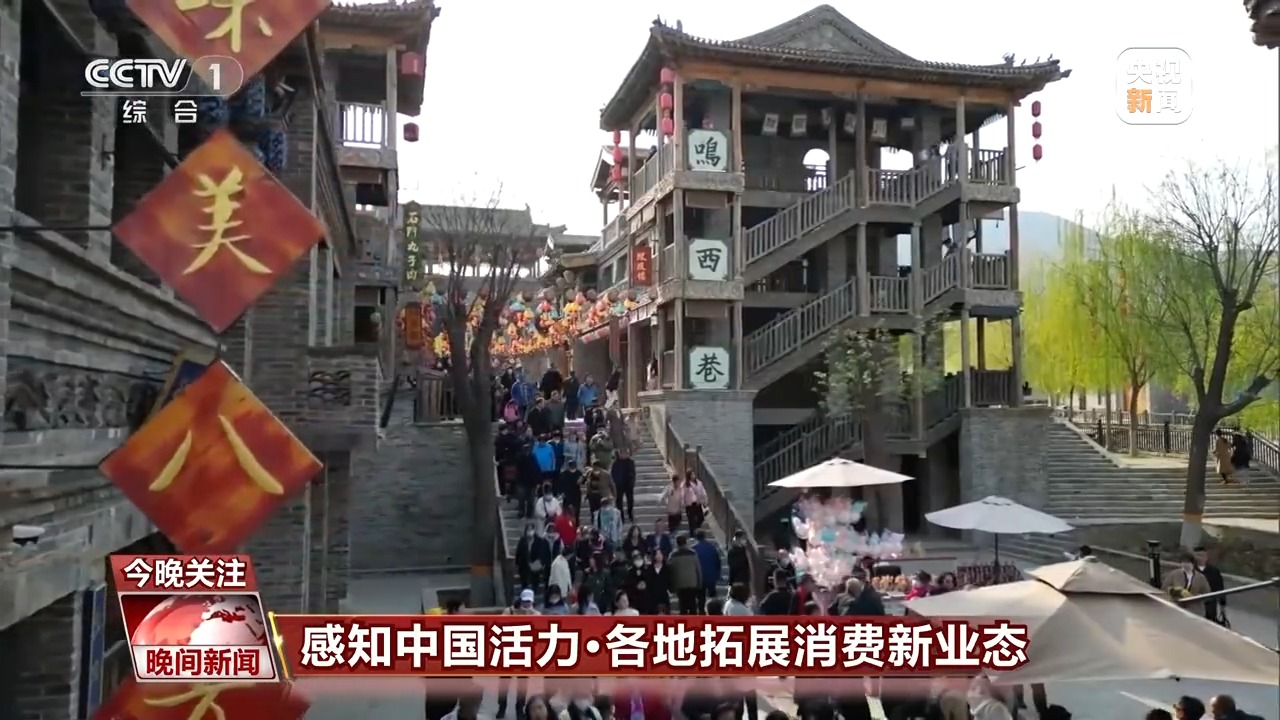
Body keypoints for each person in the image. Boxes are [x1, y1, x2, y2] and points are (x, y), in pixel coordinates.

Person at [668, 533, 703, 615]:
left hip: (679, 583)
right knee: (692, 605)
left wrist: (671, 586)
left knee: (682, 606)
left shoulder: (673, 555)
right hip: (692, 583)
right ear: (686, 542)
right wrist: (699, 583)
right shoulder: (693, 553)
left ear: (677, 543)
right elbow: (698, 569)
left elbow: (670, 570)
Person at [1192, 545, 1228, 625]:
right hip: (1194, 603)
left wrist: (1222, 604)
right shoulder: (1191, 570)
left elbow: (1220, 587)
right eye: (1197, 555)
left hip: (1210, 604)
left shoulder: (1214, 571)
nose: (1199, 558)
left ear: (1206, 557)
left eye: (1201, 555)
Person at [692, 529, 721, 612]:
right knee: (712, 595)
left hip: (700, 577)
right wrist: (718, 574)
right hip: (711, 575)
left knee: (701, 598)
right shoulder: (712, 547)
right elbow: (717, 561)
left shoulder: (694, 549)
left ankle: (702, 613)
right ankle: (714, 611)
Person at [516, 524, 552, 591]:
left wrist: (539, 563)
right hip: (524, 565)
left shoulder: (539, 541)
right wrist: (518, 562)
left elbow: (542, 553)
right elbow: (519, 552)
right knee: (524, 581)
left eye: (531, 529)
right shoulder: (522, 541)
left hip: (535, 564)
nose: (530, 531)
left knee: (535, 580)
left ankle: (535, 589)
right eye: (528, 529)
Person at [611, 450, 637, 523]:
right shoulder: (616, 463)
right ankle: (620, 515)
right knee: (619, 501)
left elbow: (633, 473)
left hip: (628, 484)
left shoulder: (630, 462)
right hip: (619, 485)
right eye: (622, 453)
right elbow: (613, 473)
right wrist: (615, 482)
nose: (624, 454)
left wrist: (632, 482)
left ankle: (630, 513)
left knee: (630, 500)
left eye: (625, 453)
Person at [557, 460, 584, 526]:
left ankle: (574, 525)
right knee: (568, 511)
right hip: (569, 494)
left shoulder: (576, 473)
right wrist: (561, 492)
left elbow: (581, 481)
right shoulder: (566, 474)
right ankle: (569, 524)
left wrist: (561, 492)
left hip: (574, 494)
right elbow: (560, 484)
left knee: (574, 511)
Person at [645, 548, 671, 613]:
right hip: (652, 596)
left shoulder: (667, 568)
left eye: (660, 554)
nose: (659, 556)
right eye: (657, 554)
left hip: (663, 595)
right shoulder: (649, 568)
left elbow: (670, 581)